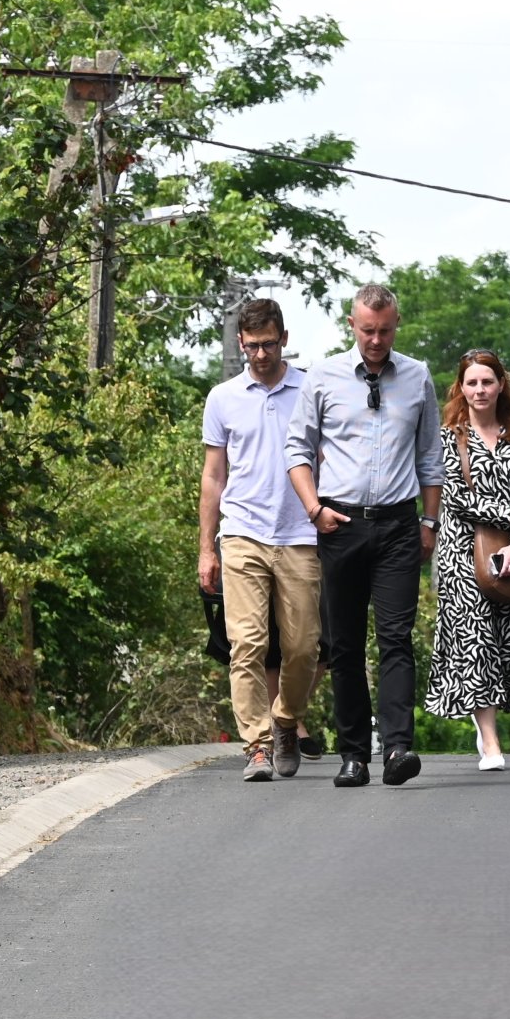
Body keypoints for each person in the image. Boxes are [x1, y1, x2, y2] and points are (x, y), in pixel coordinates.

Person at [286, 284, 442, 788]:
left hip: (398, 524)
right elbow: (297, 450)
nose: (376, 340)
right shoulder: (324, 376)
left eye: (385, 330)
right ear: (352, 325)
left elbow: (429, 457)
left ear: (397, 325)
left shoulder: (416, 376)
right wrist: (314, 509)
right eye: (367, 330)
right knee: (345, 644)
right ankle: (353, 753)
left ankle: (398, 747)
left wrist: (429, 522)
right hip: (341, 523)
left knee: (396, 638)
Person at [199, 299, 322, 782]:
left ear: (284, 338)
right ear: (240, 344)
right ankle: (256, 744)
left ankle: (287, 718)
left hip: (300, 533)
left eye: (269, 344)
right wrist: (207, 547)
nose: (261, 354)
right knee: (246, 643)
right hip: (243, 533)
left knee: (303, 647)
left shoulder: (311, 388)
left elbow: (329, 455)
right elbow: (214, 475)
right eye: (251, 346)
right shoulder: (223, 397)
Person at [425, 350, 510, 771]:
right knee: (476, 643)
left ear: (500, 386)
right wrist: (509, 515)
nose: (479, 390)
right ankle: (491, 743)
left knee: (506, 643)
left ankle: (488, 724)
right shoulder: (448, 437)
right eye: (471, 383)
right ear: (461, 387)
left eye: (487, 382)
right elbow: (453, 497)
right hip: (461, 552)